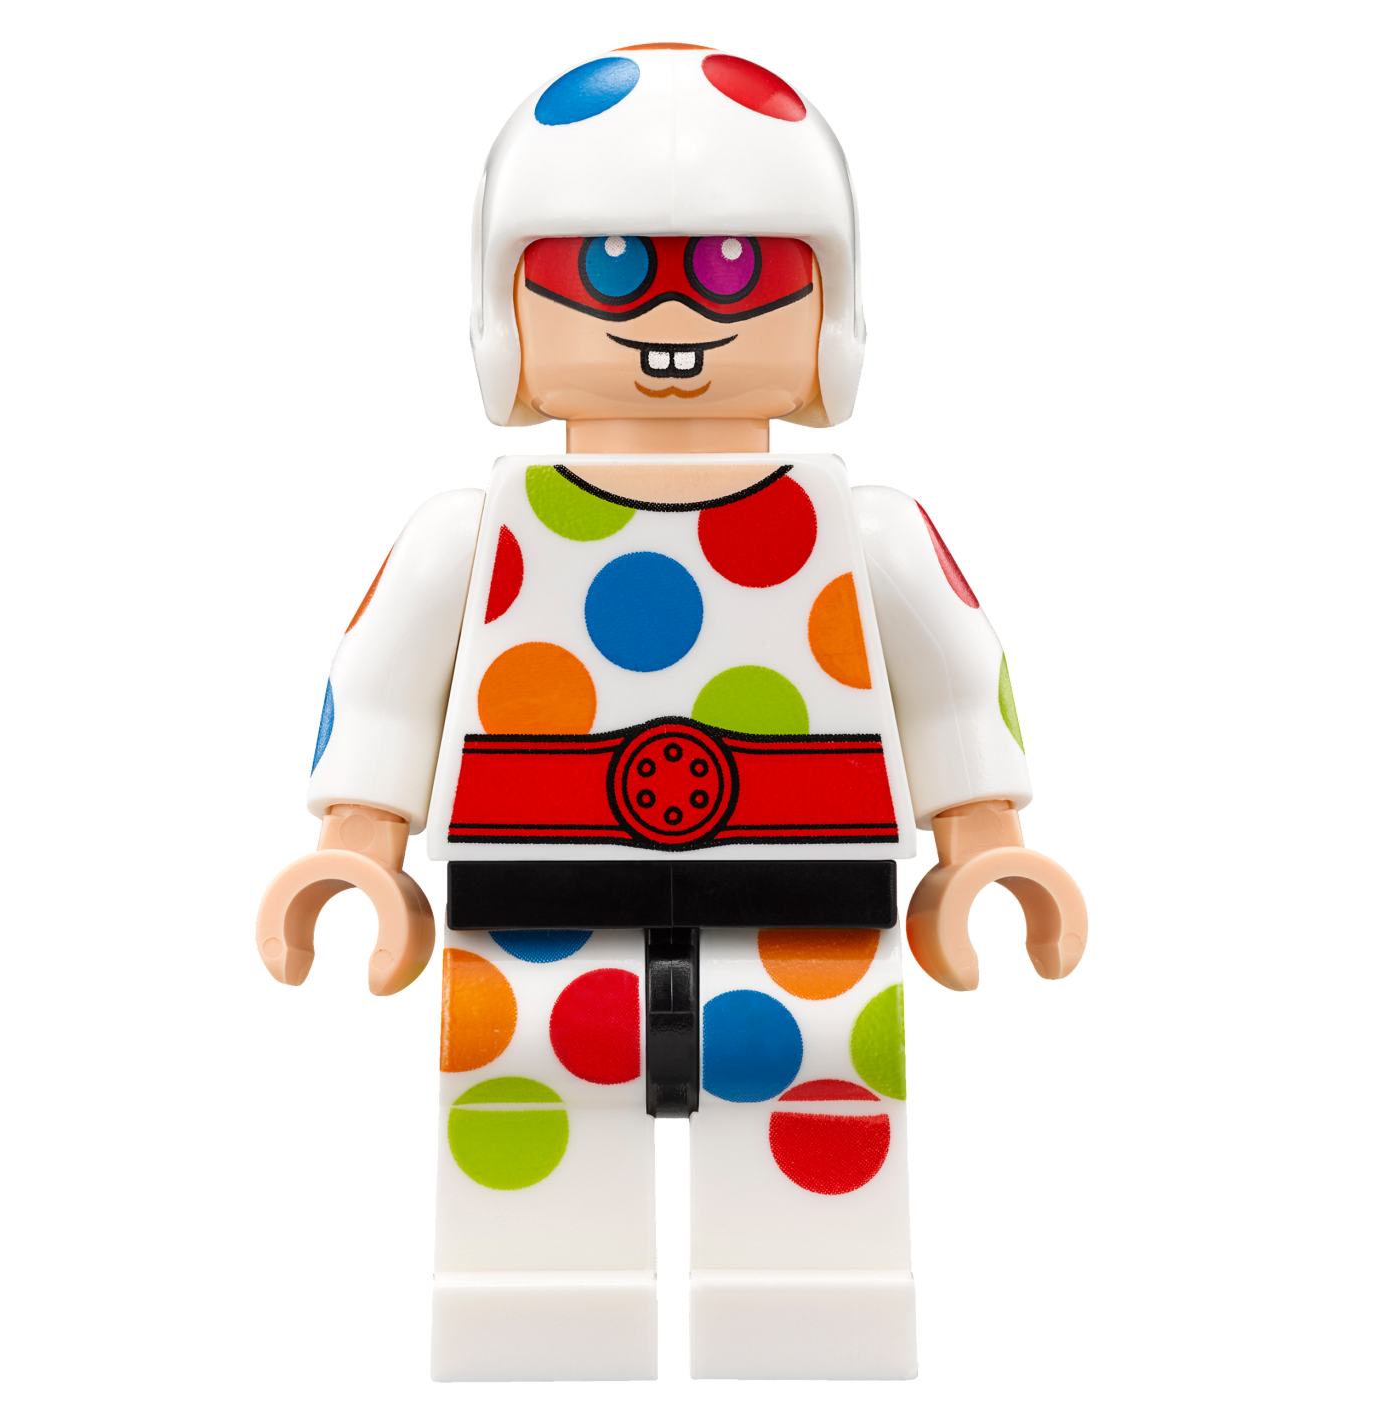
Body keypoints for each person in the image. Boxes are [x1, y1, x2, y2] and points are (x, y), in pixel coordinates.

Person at [255, 43, 1087, 1382]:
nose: (676, 315)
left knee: (820, 1071)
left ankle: (812, 1304)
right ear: (507, 311)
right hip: (536, 888)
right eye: (607, 271)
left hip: (807, 885)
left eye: (738, 272)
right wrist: (358, 849)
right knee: (528, 1070)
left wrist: (983, 845)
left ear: (827, 310)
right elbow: (382, 688)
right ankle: (533, 1307)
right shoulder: (473, 532)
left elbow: (953, 675)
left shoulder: (862, 530)